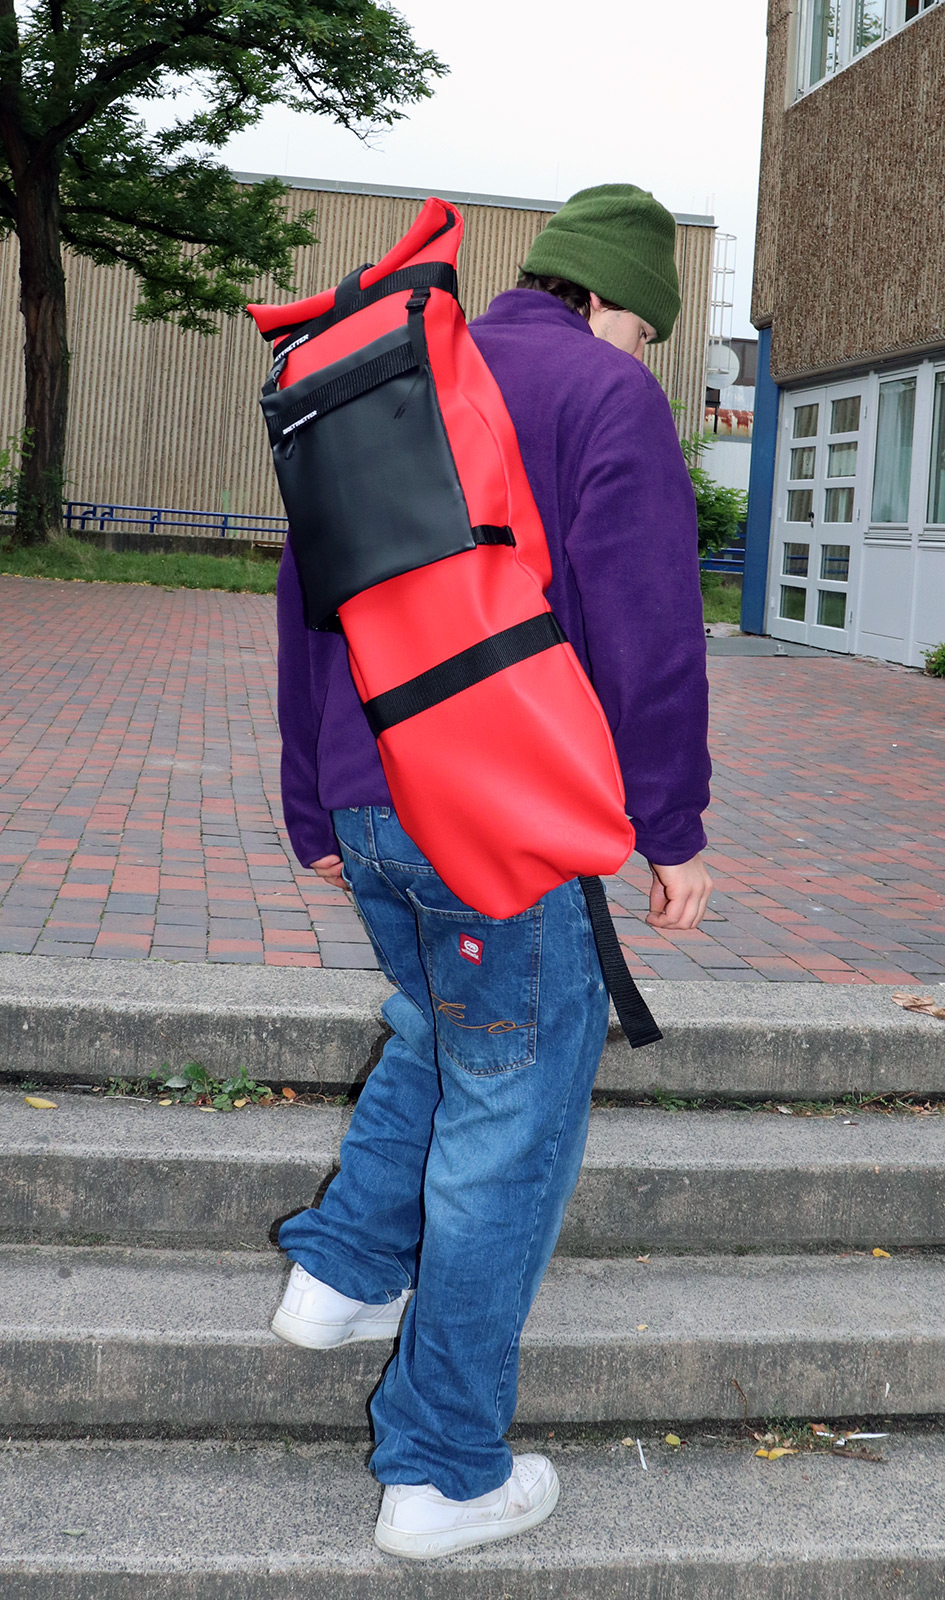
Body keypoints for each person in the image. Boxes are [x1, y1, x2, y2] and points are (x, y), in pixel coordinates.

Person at [270, 182, 712, 1560]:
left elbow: (308, 602)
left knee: (445, 1033)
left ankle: (339, 1276)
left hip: (372, 794)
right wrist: (672, 825)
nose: (643, 353)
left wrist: (315, 810)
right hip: (498, 813)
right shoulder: (603, 393)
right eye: (651, 327)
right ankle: (444, 1470)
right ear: (619, 298)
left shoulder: (382, 363)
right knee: (509, 1127)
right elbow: (647, 630)